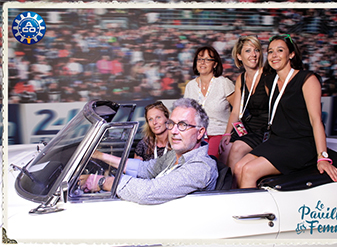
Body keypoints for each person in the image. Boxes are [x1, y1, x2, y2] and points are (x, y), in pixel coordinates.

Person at [234, 34, 337, 188]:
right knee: (238, 167)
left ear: (291, 54)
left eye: (280, 50)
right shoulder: (269, 82)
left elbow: (316, 120)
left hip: (300, 144)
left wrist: (323, 157)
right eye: (270, 52)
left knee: (250, 170)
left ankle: (251, 212)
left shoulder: (307, 79)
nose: (274, 55)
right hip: (277, 140)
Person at [79, 98, 218, 205]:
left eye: (182, 125)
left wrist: (104, 181)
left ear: (200, 133)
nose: (174, 131)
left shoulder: (201, 167)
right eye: (172, 124)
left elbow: (149, 192)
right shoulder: (175, 155)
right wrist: (101, 156)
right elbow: (144, 169)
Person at [218, 36, 270, 171]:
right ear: (239, 56)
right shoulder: (241, 78)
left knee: (237, 148)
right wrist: (227, 133)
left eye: (256, 50)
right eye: (248, 51)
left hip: (265, 128)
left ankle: (233, 190)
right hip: (248, 126)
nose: (253, 54)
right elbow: (235, 111)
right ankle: (224, 187)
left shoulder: (267, 76)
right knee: (225, 148)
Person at [184, 45, 234, 160]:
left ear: (215, 64)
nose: (203, 62)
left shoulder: (224, 83)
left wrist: (228, 134)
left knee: (207, 161)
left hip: (219, 133)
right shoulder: (190, 86)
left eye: (207, 59)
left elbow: (238, 110)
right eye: (200, 59)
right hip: (197, 136)